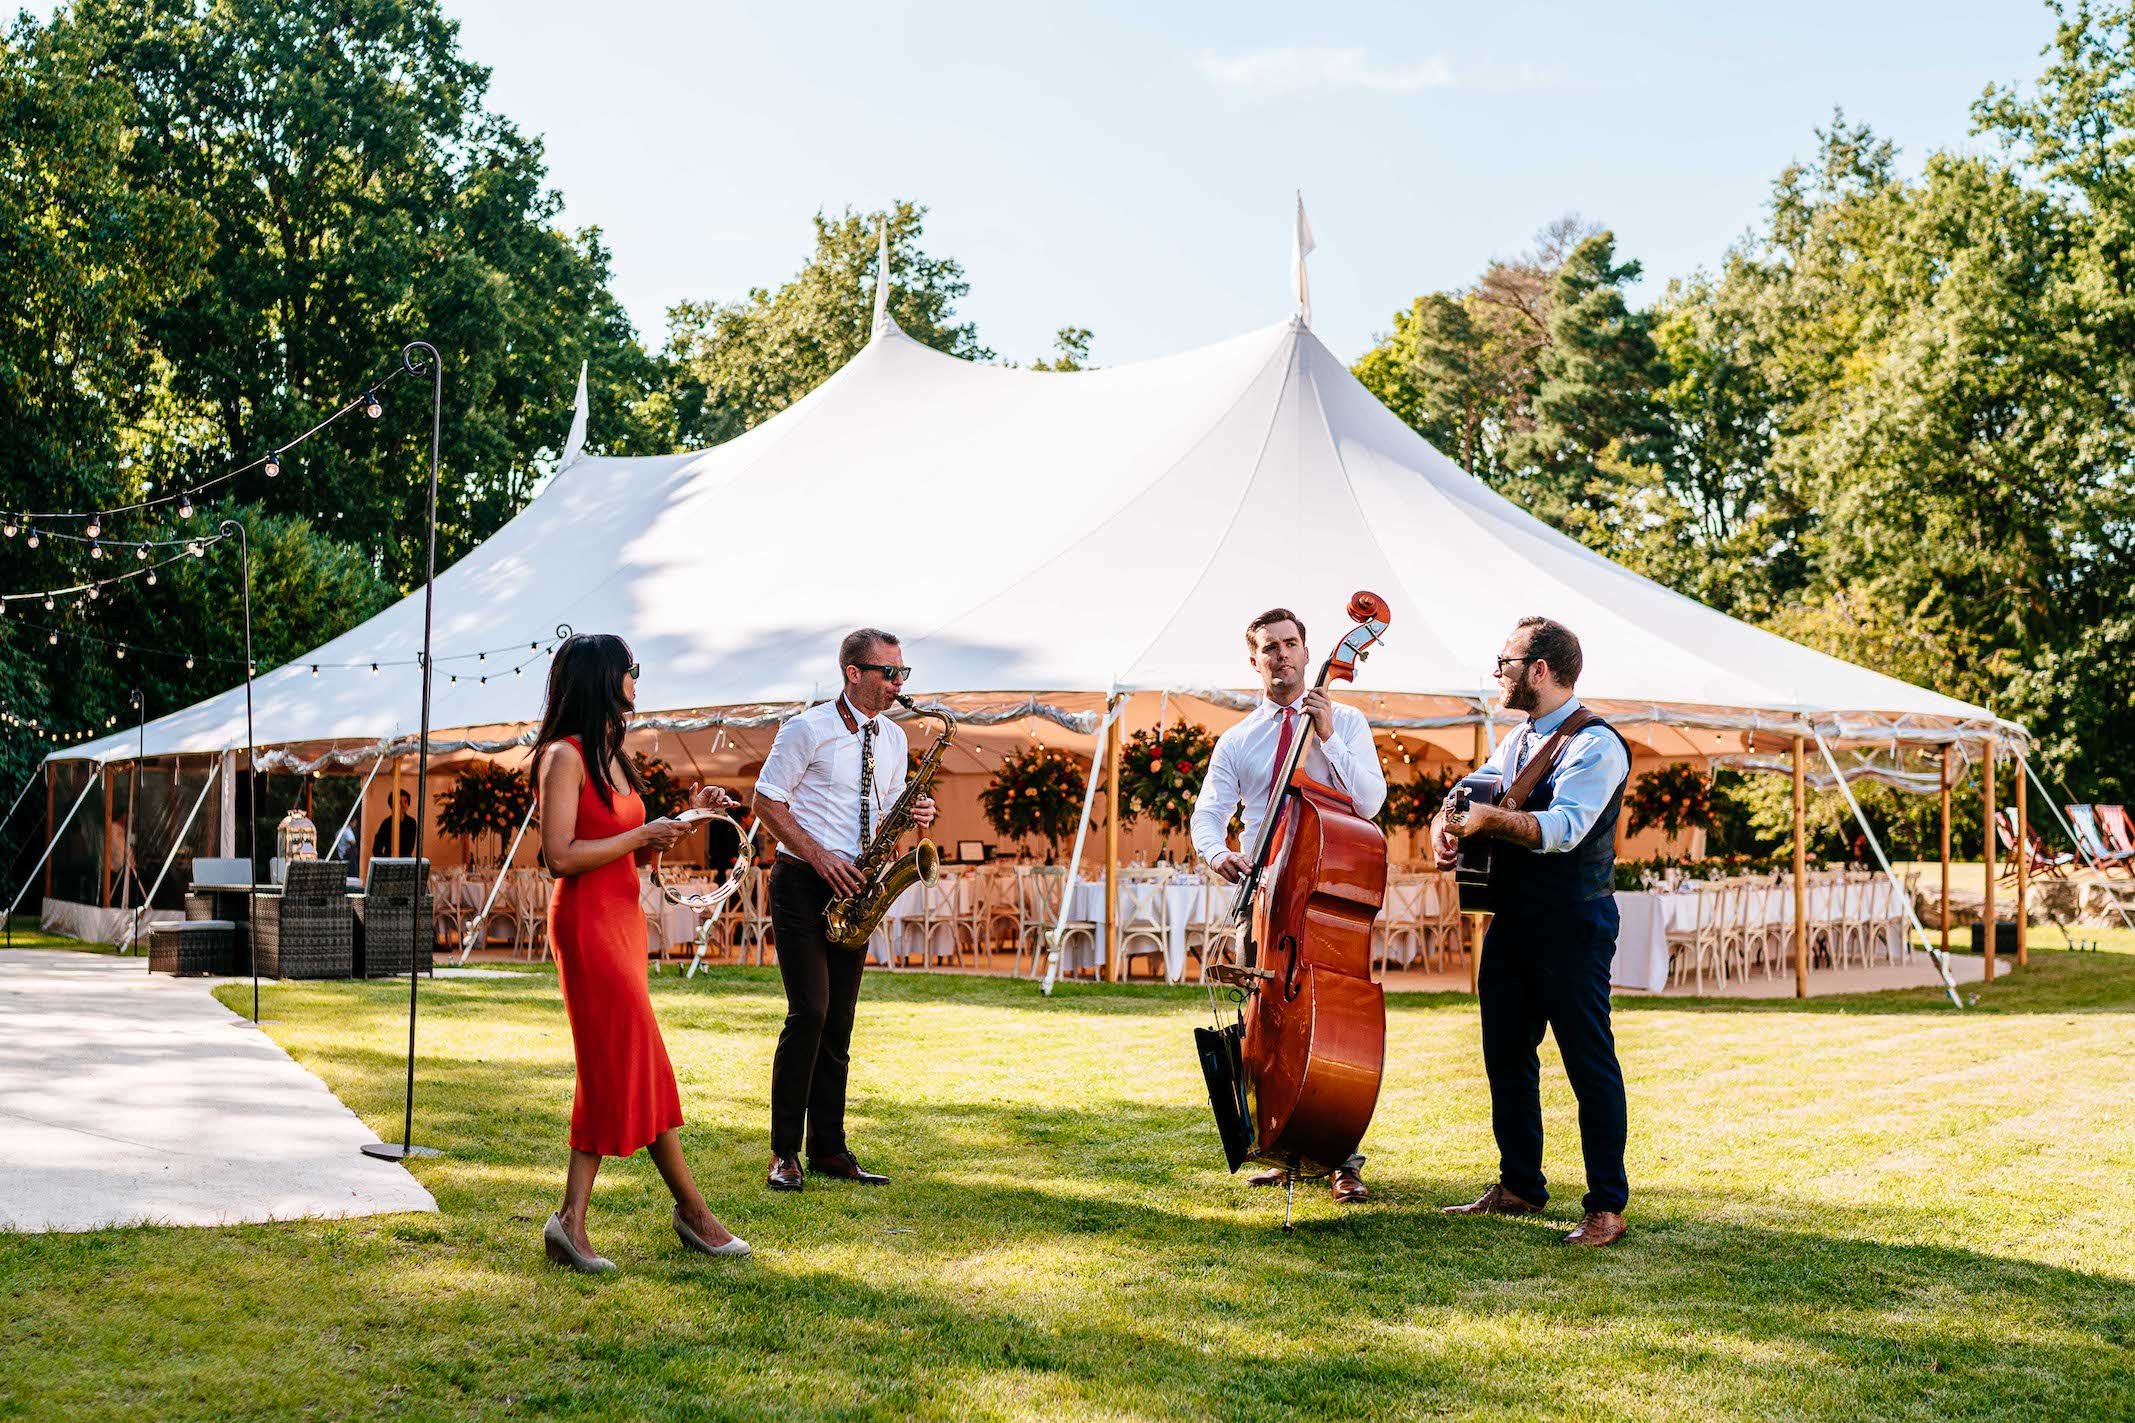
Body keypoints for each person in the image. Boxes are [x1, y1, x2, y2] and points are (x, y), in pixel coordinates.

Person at [532, 633, 749, 1272]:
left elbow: (633, 845)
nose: (637, 680)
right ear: (605, 679)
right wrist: (641, 834)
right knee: (628, 1059)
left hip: (623, 920)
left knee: (623, 1063)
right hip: (586, 925)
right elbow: (560, 857)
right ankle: (690, 1212)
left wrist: (683, 819)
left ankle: (573, 1221)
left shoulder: (614, 757)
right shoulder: (565, 757)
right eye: (631, 670)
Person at [1431, 616, 1633, 1247]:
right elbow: (1472, 791)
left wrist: (1487, 818)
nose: (1498, 673)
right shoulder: (1516, 739)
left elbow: (1564, 827)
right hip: (1512, 920)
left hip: (1573, 921)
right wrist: (1447, 822)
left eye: (1505, 661)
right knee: (1506, 1057)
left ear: (1538, 671)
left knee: (1587, 1061)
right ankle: (1519, 1184)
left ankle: (1606, 1205)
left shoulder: (1596, 745)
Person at [1190, 606, 1387, 1204]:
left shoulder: (1345, 721)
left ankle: (1340, 1156)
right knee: (1266, 1024)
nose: (1281, 655)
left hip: (1323, 895)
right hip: (1266, 899)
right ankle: (1280, 1146)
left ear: (1307, 652)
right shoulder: (1238, 738)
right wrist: (1216, 853)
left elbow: (1370, 802)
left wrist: (1326, 737)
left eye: (1290, 644)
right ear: (1254, 660)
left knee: (1332, 1024)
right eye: (1268, 647)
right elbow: (1209, 813)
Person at [750, 628, 936, 1192]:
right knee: (809, 1012)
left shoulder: (896, 739)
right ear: (853, 672)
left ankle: (829, 1147)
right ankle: (784, 1151)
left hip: (858, 887)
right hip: (803, 882)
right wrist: (819, 854)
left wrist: (917, 813)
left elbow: (885, 812)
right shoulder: (805, 729)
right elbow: (765, 801)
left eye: (903, 673)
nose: (898, 684)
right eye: (889, 674)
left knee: (840, 1023)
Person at [370, 789, 419, 862]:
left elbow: (410, 847)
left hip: (406, 862)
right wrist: (385, 861)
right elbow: (376, 848)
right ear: (392, 805)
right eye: (399, 802)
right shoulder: (386, 823)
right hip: (389, 862)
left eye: (405, 802)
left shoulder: (412, 823)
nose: (403, 805)